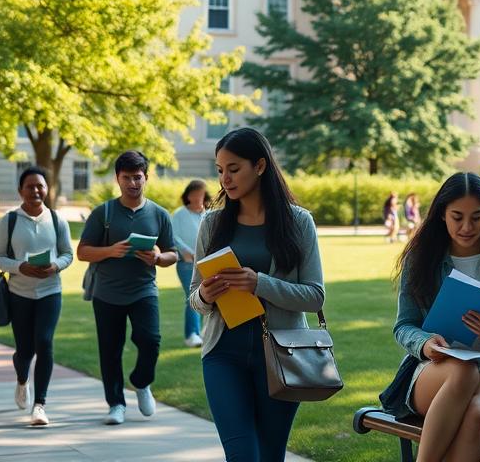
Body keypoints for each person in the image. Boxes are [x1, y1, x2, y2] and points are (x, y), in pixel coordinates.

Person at [188, 127, 325, 461]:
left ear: (260, 166)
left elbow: (314, 296)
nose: (225, 180)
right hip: (223, 355)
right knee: (243, 454)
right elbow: (194, 297)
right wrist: (205, 294)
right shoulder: (212, 224)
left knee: (270, 454)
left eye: (233, 169)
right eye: (220, 171)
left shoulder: (299, 222)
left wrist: (259, 283)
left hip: (282, 357)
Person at [382, 172, 480, 462]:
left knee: (474, 413)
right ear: (442, 215)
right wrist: (426, 344)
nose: (467, 226)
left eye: (477, 217)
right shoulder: (421, 257)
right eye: (457, 217)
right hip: (436, 368)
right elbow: (404, 326)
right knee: (464, 372)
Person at [77, 150, 178, 425]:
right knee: (110, 350)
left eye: (138, 177)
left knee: (151, 341)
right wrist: (111, 250)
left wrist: (158, 257)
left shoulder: (159, 214)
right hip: (107, 293)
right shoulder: (104, 213)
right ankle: (116, 404)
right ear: (117, 179)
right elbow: (83, 252)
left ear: (146, 178)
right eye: (127, 178)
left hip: (144, 290)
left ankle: (141, 381)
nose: (133, 183)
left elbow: (174, 254)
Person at [0, 166, 74, 426]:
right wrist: (20, 267)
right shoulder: (9, 220)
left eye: (40, 186)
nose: (35, 190)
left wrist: (55, 266)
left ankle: (40, 405)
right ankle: (21, 380)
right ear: (20, 190)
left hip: (51, 291)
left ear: (47, 189)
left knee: (44, 343)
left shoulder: (58, 220)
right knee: (24, 350)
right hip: (19, 293)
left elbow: (67, 254)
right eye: (30, 186)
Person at [171, 179, 209, 349]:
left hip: (207, 263)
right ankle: (191, 335)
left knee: (205, 297)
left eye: (200, 194)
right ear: (188, 196)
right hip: (186, 263)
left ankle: (201, 332)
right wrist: (187, 252)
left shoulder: (208, 214)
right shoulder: (179, 214)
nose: (197, 197)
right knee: (192, 296)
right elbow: (173, 236)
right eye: (194, 194)